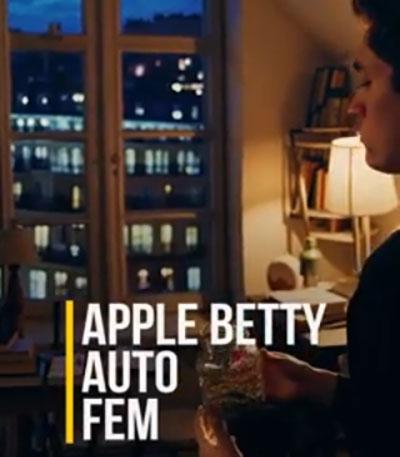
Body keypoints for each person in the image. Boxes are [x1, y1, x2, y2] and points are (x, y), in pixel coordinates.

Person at [195, 1, 400, 455]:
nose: (353, 106)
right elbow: (389, 414)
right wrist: (311, 382)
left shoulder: (391, 279)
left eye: (369, 80)